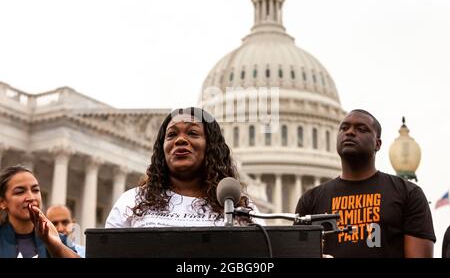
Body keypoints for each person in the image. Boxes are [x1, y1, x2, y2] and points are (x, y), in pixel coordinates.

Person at [294, 109, 435, 258]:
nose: (349, 132)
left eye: (361, 129)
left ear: (377, 144)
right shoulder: (311, 200)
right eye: (344, 128)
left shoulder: (408, 194)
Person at [106, 107, 264, 228]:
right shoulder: (132, 201)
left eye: (193, 133)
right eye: (171, 135)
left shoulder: (241, 209)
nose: (180, 140)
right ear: (162, 149)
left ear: (211, 147)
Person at [0, 165, 80, 258]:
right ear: (2, 202)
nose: (31, 197)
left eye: (35, 190)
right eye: (20, 192)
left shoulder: (60, 240)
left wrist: (55, 245)